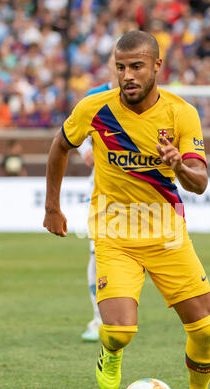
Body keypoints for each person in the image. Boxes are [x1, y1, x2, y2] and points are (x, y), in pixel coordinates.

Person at [43, 30, 210, 389]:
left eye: (137, 67)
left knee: (203, 328)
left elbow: (200, 183)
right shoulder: (95, 108)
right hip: (114, 234)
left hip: (167, 235)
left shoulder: (181, 113)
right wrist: (52, 208)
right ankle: (111, 351)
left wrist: (179, 165)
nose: (127, 75)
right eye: (121, 67)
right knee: (120, 331)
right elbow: (60, 146)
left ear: (157, 66)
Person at [78, 50, 119, 342]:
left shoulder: (148, 97)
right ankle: (98, 319)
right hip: (103, 193)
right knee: (98, 254)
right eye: (117, 63)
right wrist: (85, 150)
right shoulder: (94, 96)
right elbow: (73, 133)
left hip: (144, 194)